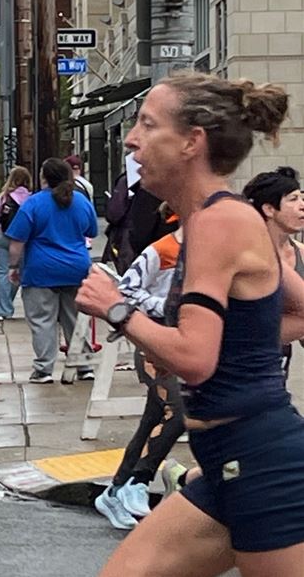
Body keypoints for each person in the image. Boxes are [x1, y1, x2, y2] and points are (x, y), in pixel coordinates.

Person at [75, 74, 304, 576]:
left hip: (262, 465)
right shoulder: (221, 217)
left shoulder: (220, 222)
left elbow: (193, 361)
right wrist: (234, 347)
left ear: (190, 143)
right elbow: (299, 313)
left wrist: (117, 308)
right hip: (226, 459)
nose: (132, 138)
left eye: (147, 124)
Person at [94, 223, 183, 529]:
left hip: (183, 346)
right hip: (152, 347)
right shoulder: (162, 250)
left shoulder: (212, 253)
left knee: (151, 421)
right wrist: (167, 306)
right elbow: (126, 290)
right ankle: (139, 480)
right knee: (179, 409)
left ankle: (115, 490)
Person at [7, 158, 98, 383]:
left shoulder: (33, 203)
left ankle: (44, 369)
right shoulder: (81, 202)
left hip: (41, 270)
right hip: (77, 268)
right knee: (75, 318)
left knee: (42, 320)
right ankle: (84, 365)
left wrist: (13, 266)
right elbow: (92, 230)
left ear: (44, 178)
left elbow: (17, 241)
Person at [242, 167, 304, 378]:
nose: (302, 206)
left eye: (301, 198)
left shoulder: (301, 253)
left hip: (276, 365)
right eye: (293, 199)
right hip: (239, 363)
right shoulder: (244, 255)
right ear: (269, 209)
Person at [0, 167, 33, 320]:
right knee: (17, 273)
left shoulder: (4, 197)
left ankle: (2, 311)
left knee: (1, 272)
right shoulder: (31, 199)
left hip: (1, 236)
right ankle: (7, 303)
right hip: (21, 240)